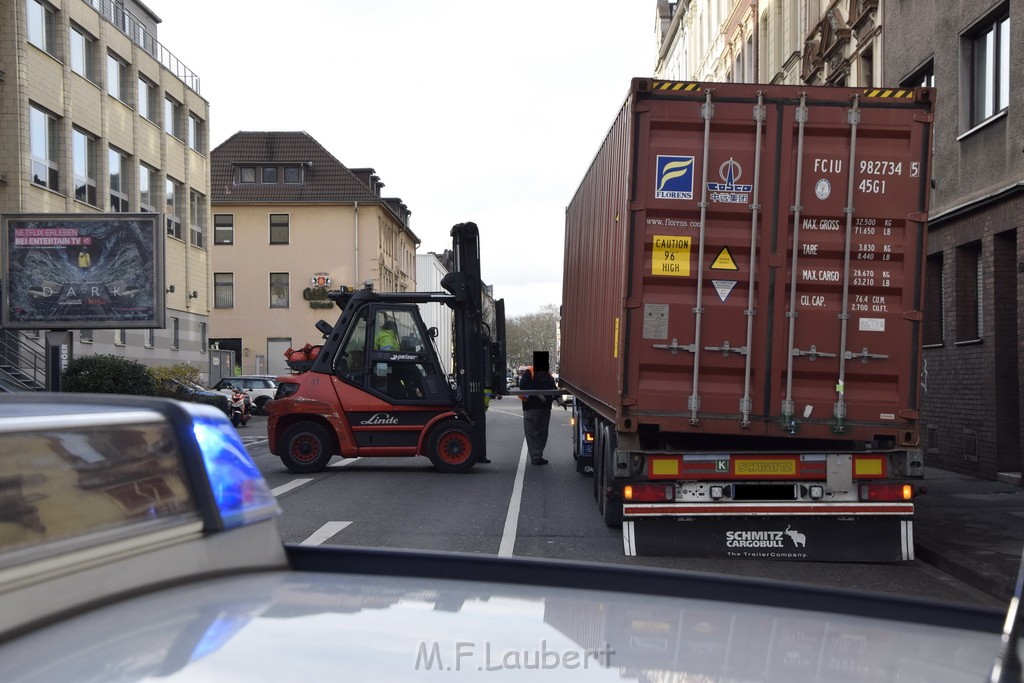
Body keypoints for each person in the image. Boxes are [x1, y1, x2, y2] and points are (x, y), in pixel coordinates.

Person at [518, 351, 556, 465]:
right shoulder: (541, 373)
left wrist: (558, 398)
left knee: (534, 433)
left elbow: (523, 386)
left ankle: (537, 456)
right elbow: (524, 387)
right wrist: (540, 396)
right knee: (540, 433)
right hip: (537, 408)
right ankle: (537, 456)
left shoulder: (531, 372)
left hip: (535, 409)